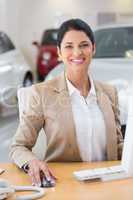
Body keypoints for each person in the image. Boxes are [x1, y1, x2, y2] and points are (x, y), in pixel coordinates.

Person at [10, 18, 123, 186]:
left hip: (108, 184)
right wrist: (32, 163)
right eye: (69, 46)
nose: (77, 52)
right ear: (59, 52)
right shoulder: (42, 93)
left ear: (93, 48)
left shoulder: (109, 92)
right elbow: (19, 146)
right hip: (65, 184)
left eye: (84, 45)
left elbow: (118, 145)